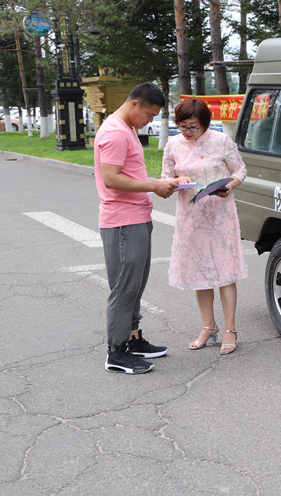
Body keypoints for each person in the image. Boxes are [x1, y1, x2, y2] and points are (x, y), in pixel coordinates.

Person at [95, 82, 179, 374]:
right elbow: (112, 179)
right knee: (124, 287)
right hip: (123, 221)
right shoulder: (115, 132)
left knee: (135, 284)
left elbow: (128, 173)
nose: (151, 121)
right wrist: (154, 186)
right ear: (134, 105)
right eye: (150, 114)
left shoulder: (127, 129)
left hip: (136, 217)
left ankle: (132, 339)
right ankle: (116, 353)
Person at [161, 98, 248, 355]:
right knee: (200, 273)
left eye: (193, 127)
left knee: (225, 272)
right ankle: (208, 325)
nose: (187, 132)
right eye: (182, 126)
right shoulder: (173, 144)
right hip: (191, 217)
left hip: (221, 215)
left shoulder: (221, 141)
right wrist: (177, 180)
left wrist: (228, 187)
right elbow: (165, 179)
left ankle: (230, 328)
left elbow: (240, 170)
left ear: (205, 124)